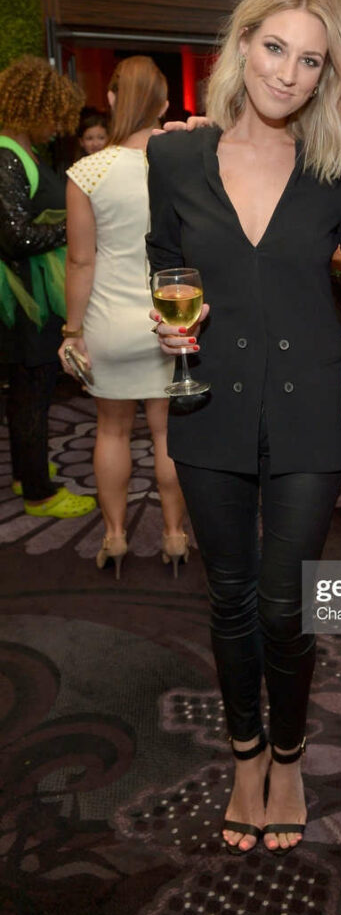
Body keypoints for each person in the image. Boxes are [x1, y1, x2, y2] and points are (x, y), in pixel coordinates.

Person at [145, 0, 341, 855]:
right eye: (275, 47)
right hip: (209, 403)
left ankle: (291, 753)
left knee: (284, 603)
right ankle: (247, 756)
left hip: (312, 409)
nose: (287, 72)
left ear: (325, 75)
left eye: (310, 60)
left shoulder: (335, 168)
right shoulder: (174, 158)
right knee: (230, 595)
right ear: (243, 45)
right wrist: (168, 319)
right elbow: (165, 259)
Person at [58, 57, 186, 578]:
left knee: (111, 431)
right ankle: (175, 535)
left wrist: (72, 331)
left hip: (109, 322)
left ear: (111, 99)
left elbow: (80, 261)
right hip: (170, 316)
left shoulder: (87, 172)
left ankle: (114, 536)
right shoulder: (180, 164)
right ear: (164, 105)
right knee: (167, 434)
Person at [0, 55, 97, 518]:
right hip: (24, 301)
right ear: (33, 108)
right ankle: (40, 493)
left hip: (31, 295)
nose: (58, 128)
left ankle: (28, 472)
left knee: (28, 391)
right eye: (54, 117)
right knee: (32, 393)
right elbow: (15, 237)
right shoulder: (6, 156)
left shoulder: (22, 154)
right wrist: (75, 228)